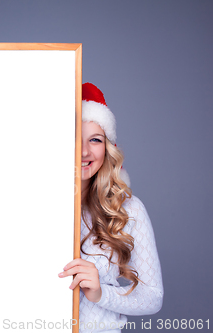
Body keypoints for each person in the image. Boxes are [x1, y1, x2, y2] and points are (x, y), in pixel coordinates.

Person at [59, 83, 163, 332]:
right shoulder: (27, 208)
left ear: (108, 148)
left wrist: (99, 293)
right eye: (75, 138)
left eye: (95, 139)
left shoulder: (129, 210)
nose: (84, 151)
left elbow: (152, 298)